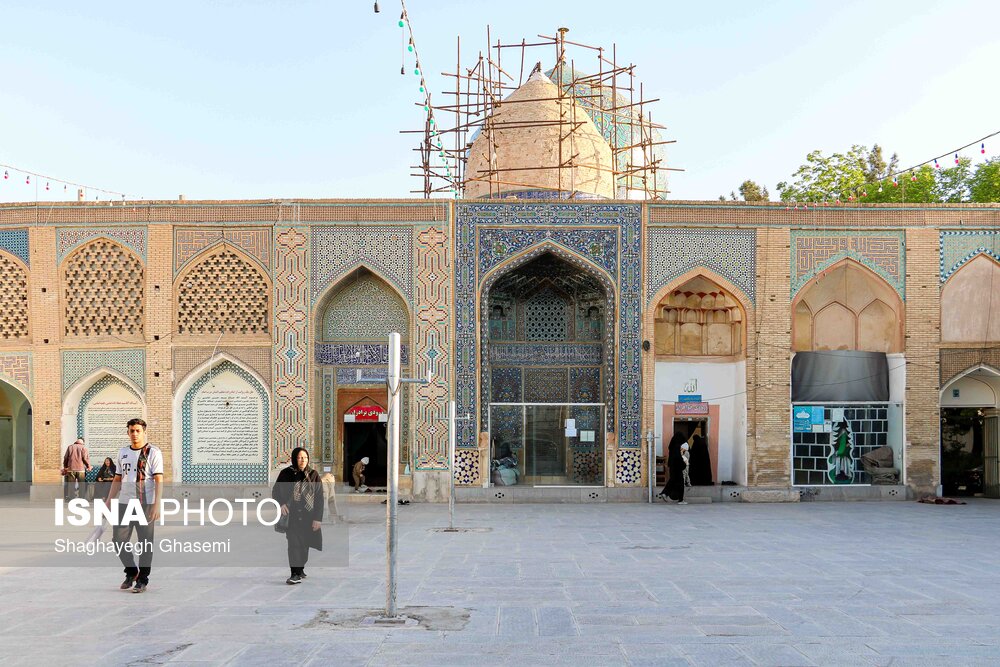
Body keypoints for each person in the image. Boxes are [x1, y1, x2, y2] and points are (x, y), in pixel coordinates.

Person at [105, 418, 163, 594]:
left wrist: (157, 504)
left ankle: (142, 579)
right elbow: (117, 478)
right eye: (131, 431)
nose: (134, 434)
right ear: (128, 432)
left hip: (145, 504)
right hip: (125, 503)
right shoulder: (122, 452)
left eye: (138, 430)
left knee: (145, 543)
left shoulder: (153, 452)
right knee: (118, 540)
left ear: (144, 432)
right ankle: (131, 572)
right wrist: (109, 500)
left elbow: (159, 479)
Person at [272, 447, 324, 585]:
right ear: (294, 459)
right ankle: (294, 573)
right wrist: (281, 504)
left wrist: (317, 519)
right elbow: (275, 491)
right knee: (294, 544)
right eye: (300, 458)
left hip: (308, 516)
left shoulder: (313, 475)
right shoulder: (286, 474)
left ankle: (300, 568)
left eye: (305, 458)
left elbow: (319, 498)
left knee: (304, 545)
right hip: (292, 516)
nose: (303, 460)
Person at [656, 431, 688, 504]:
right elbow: (678, 458)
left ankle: (664, 493)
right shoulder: (676, 447)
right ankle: (680, 500)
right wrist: (683, 464)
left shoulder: (672, 446)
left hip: (672, 467)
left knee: (673, 480)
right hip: (677, 467)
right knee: (680, 483)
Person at [62, 437, 91, 502]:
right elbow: (85, 458)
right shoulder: (83, 448)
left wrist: (65, 466)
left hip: (71, 469)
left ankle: (71, 499)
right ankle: (81, 499)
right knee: (82, 485)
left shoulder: (70, 447)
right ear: (82, 442)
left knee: (71, 485)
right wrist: (88, 466)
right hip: (81, 470)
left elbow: (65, 458)